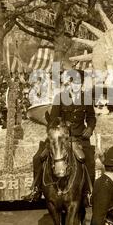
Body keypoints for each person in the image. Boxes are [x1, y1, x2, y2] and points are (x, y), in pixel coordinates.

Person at [25, 69, 96, 202]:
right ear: (69, 83)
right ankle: (36, 189)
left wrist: (90, 128)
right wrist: (62, 124)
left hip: (80, 137)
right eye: (74, 82)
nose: (76, 85)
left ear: (82, 84)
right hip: (61, 137)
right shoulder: (60, 97)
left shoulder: (86, 98)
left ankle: (88, 192)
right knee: (38, 158)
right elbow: (53, 120)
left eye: (79, 83)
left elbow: (91, 117)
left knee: (90, 160)